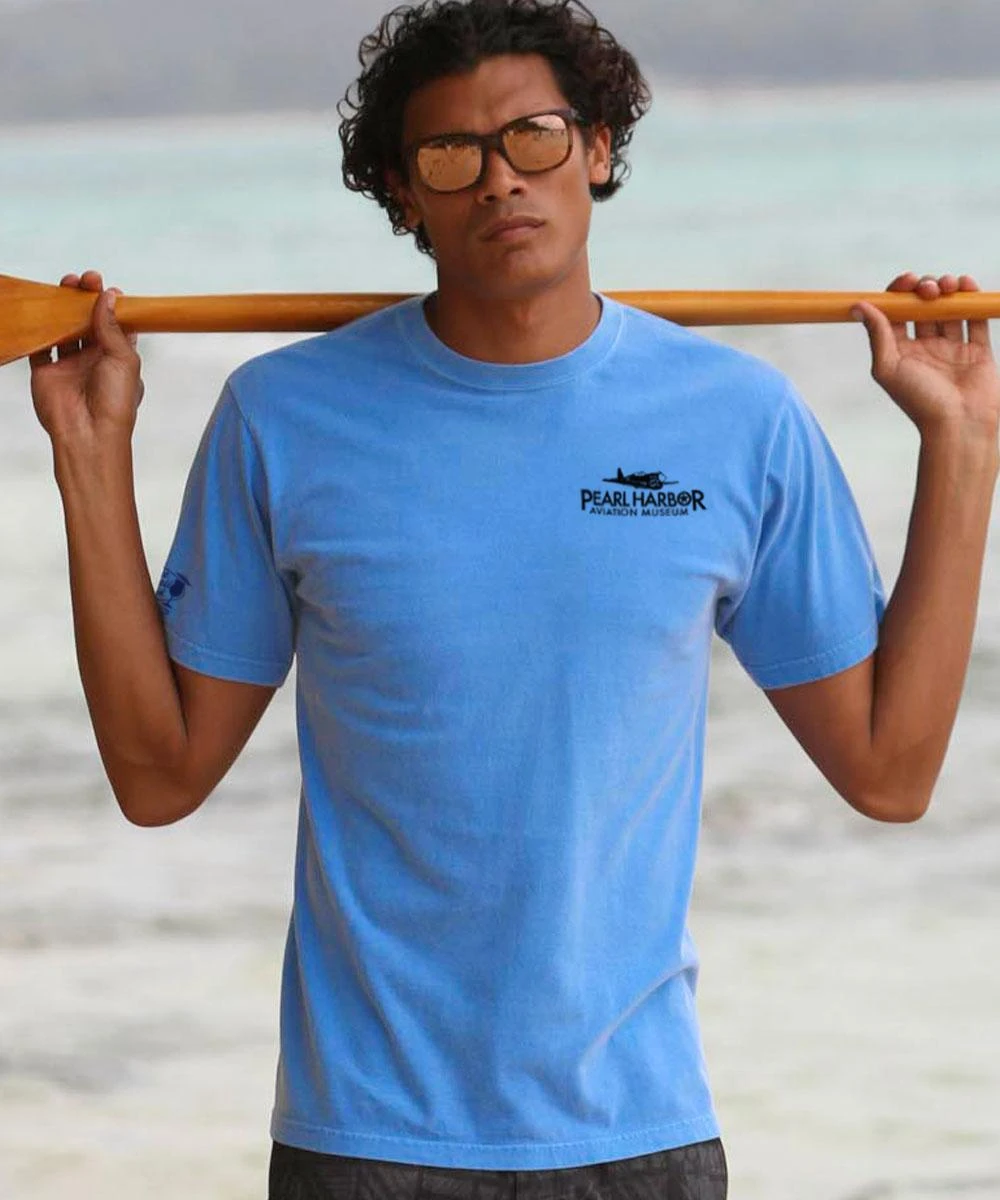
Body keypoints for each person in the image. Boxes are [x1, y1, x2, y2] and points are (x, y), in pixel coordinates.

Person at [28, 1, 999, 1197]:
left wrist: (964, 444)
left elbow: (890, 773)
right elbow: (158, 777)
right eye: (451, 155)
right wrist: (90, 454)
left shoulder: (739, 421)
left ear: (596, 147)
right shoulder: (282, 419)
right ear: (402, 193)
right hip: (366, 1141)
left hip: (637, 1136)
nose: (499, 180)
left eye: (533, 137)